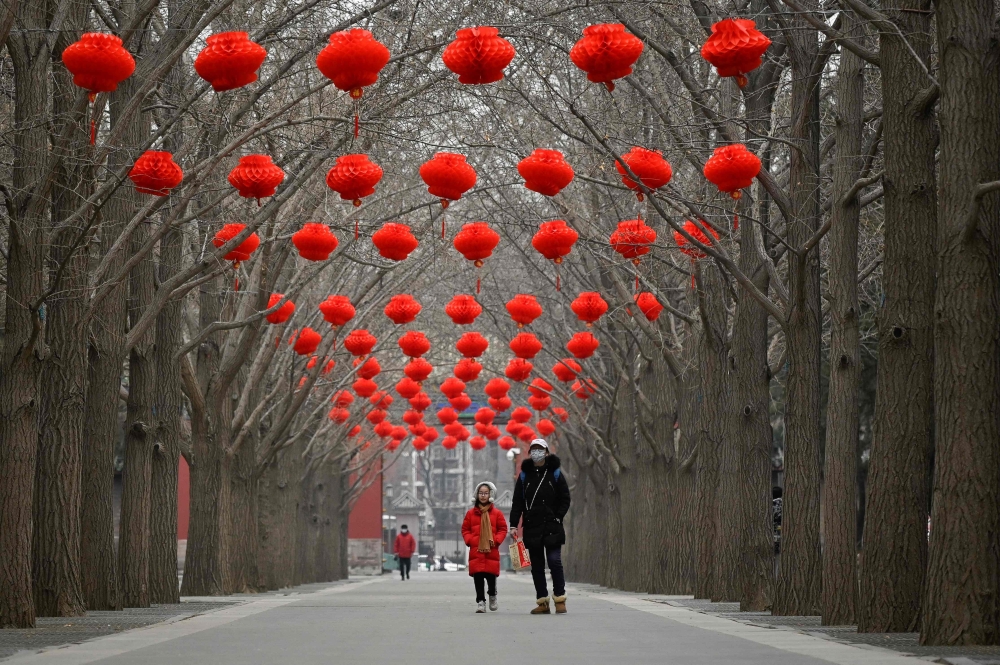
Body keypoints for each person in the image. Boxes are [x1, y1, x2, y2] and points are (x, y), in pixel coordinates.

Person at [509, 439, 571, 614]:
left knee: (554, 561)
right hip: (532, 526)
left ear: (546, 452)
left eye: (540, 449)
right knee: (537, 566)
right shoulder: (524, 476)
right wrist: (513, 524)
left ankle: (560, 598)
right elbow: (517, 502)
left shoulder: (555, 473)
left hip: (552, 525)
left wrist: (558, 516)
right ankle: (542, 602)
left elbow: (565, 498)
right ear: (530, 453)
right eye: (534, 449)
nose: (537, 452)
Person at [461, 481, 508, 613]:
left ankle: (492, 595)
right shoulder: (471, 514)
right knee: (478, 578)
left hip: (491, 550)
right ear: (476, 495)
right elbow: (465, 529)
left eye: (485, 493)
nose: (483, 496)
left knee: (491, 577)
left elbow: (503, 529)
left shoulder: (497, 513)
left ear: (490, 495)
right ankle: (480, 602)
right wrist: (470, 540)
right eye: (480, 493)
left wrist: (497, 540)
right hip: (476, 550)